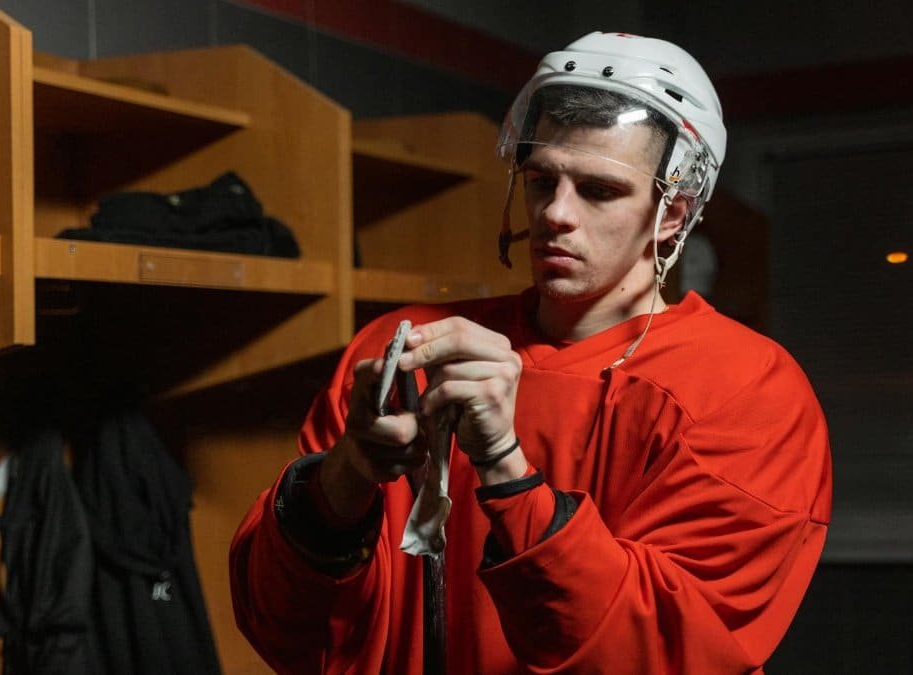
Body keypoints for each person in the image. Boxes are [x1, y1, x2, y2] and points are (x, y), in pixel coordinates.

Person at [230, 32, 831, 674]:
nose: (555, 214)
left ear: (671, 212)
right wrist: (347, 473)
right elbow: (282, 623)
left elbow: (663, 654)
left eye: (599, 190)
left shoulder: (746, 393)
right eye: (542, 180)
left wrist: (504, 468)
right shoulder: (404, 348)